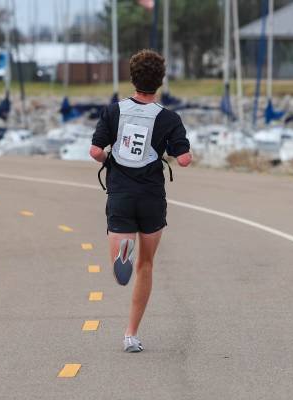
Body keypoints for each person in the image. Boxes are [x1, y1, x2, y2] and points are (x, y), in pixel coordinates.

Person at [90, 49, 192, 353]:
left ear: (132, 78)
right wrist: (175, 150)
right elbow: (184, 159)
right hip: (151, 196)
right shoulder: (169, 118)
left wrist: (109, 158)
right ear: (160, 81)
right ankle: (131, 335)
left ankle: (123, 250)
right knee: (146, 265)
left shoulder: (113, 111)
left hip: (120, 193)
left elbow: (95, 151)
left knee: (120, 258)